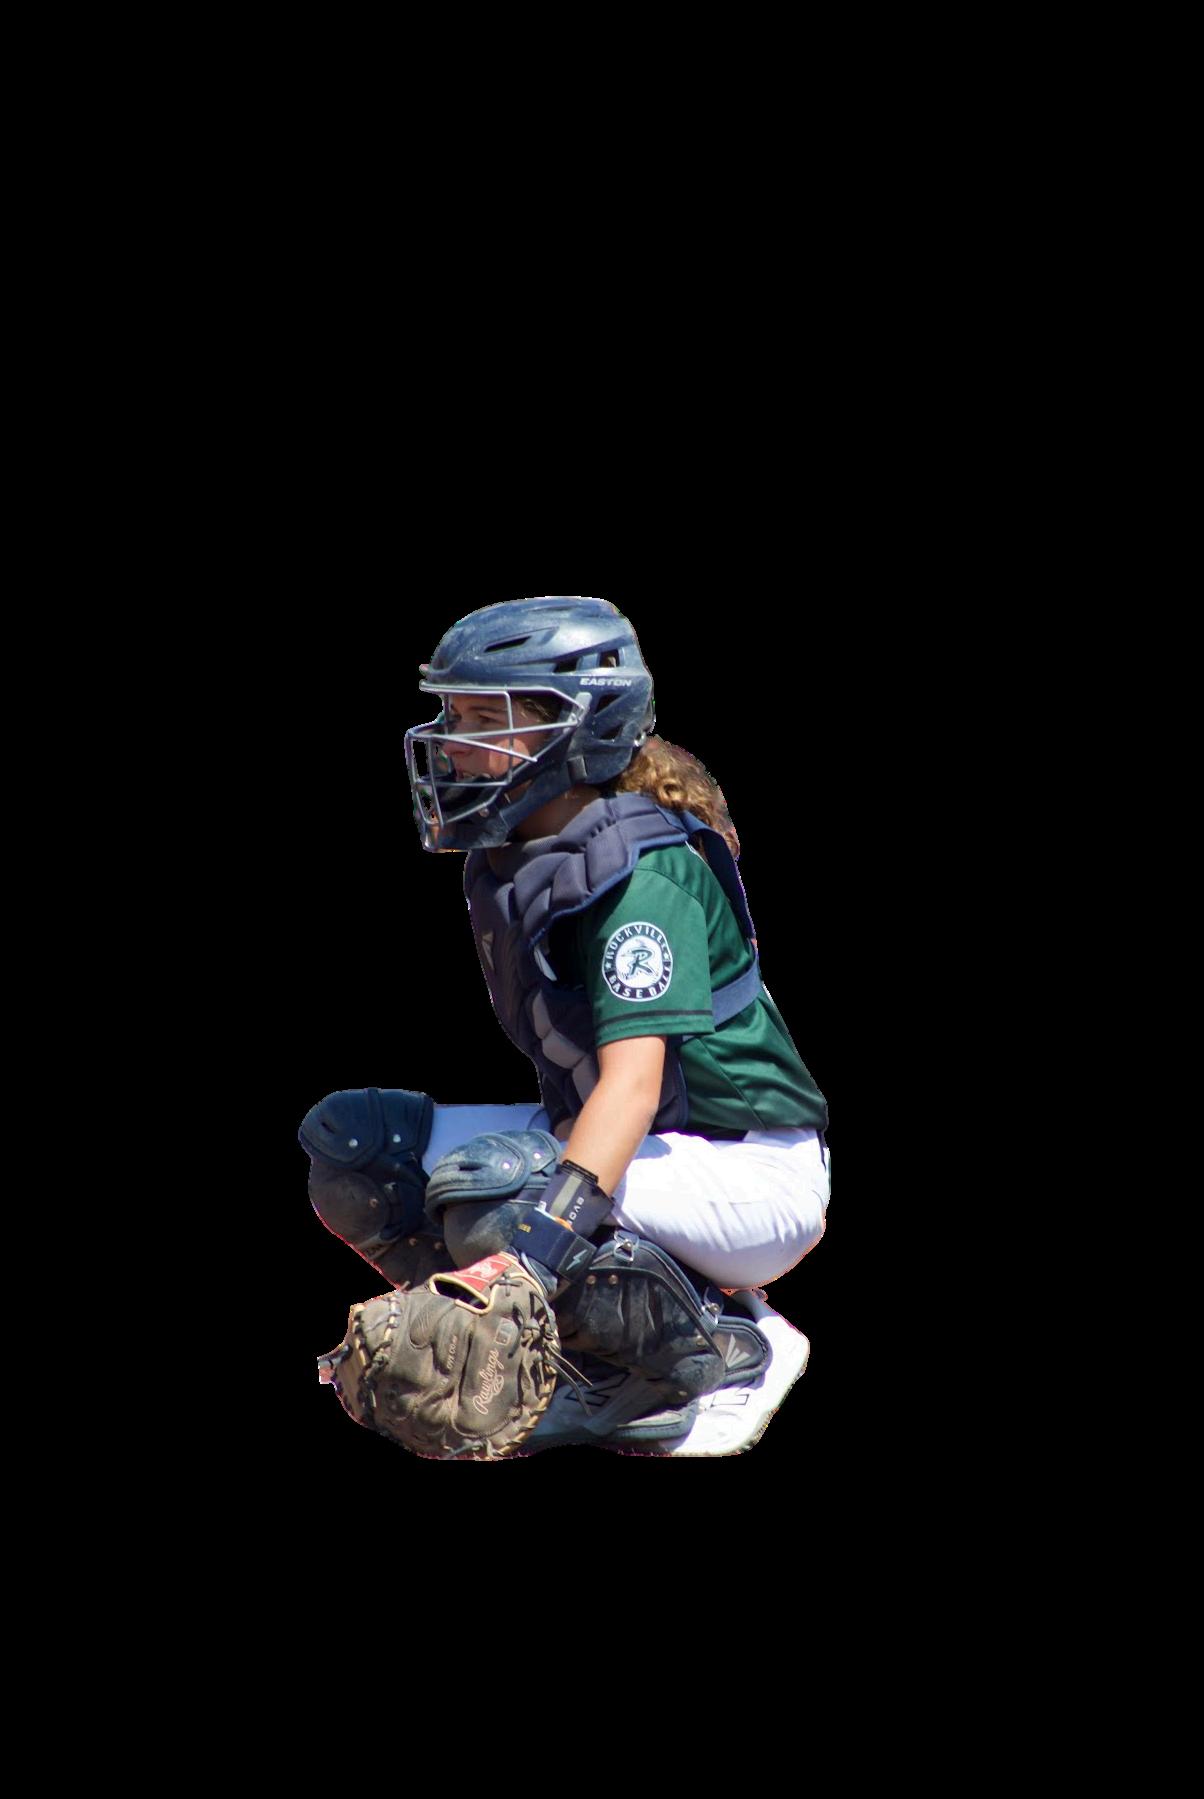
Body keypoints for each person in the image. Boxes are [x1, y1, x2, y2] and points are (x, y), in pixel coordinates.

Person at [301, 595, 831, 1456]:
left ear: (578, 731)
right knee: (358, 1148)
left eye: (488, 720)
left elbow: (634, 1086)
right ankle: (570, 1356)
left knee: (495, 1197)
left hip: (749, 1172)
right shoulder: (522, 849)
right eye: (454, 715)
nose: (453, 741)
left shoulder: (639, 871)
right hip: (654, 1149)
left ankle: (729, 1351)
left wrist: (532, 1256)